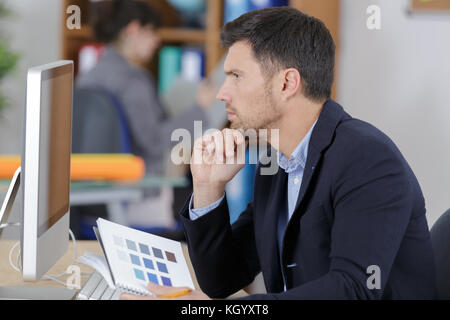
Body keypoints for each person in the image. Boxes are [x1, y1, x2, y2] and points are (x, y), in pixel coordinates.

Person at [122, 7, 436, 300]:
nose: (221, 93)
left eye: (236, 76)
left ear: (287, 83)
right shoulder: (278, 164)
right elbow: (222, 279)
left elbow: (353, 288)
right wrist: (207, 188)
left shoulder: (367, 159)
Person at [76, 0, 216, 177]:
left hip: (93, 182)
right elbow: (155, 142)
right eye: (152, 32)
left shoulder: (87, 77)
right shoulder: (133, 81)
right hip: (139, 187)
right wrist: (200, 109)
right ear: (133, 29)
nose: (156, 42)